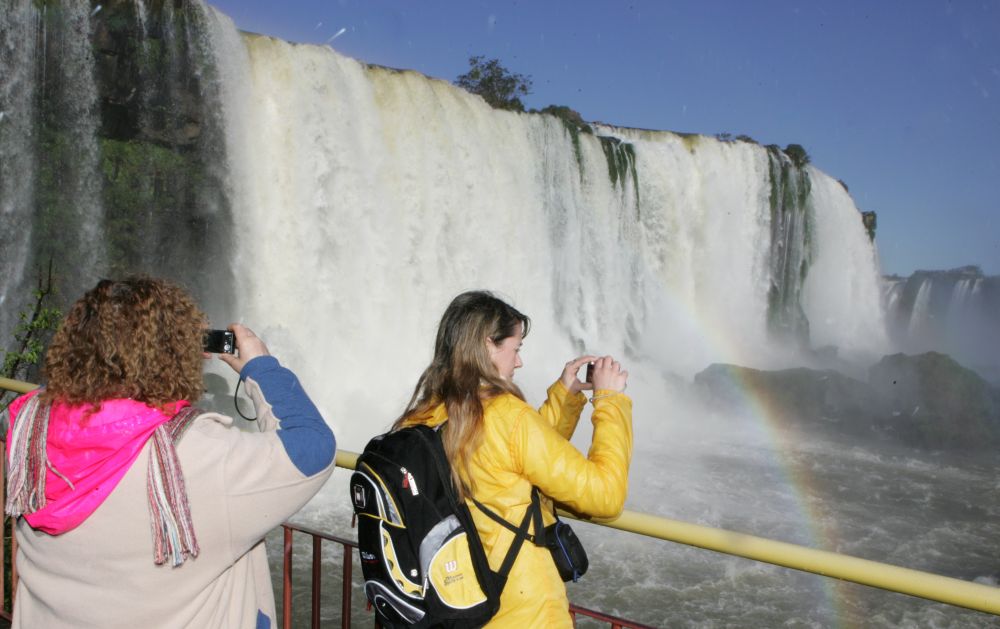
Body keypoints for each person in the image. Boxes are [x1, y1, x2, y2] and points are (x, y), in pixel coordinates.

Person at [4, 277, 335, 628]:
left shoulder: (30, 425)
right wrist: (262, 367)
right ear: (178, 356)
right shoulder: (196, 454)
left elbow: (71, 396)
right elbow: (313, 446)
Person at [394, 290, 632, 627]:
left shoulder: (425, 416)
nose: (518, 362)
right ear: (488, 345)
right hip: (522, 614)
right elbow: (605, 496)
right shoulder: (507, 416)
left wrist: (565, 398)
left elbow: (510, 461)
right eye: (516, 349)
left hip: (458, 605)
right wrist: (610, 401)